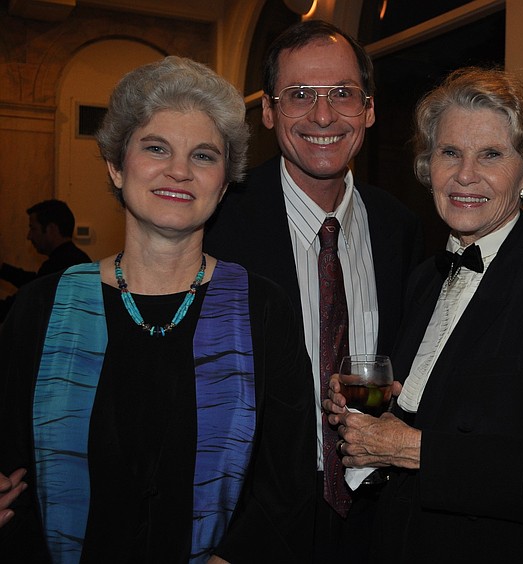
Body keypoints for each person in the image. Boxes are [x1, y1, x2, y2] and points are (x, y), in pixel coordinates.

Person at [0, 56, 315, 562]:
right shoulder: (42, 308)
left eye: (204, 156)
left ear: (225, 181)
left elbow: (287, 485)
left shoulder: (263, 308)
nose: (179, 171)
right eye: (156, 148)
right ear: (115, 166)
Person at [324, 67, 523, 562]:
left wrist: (408, 447)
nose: (464, 175)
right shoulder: (423, 279)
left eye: (491, 155)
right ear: (427, 164)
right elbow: (434, 410)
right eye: (450, 152)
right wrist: (371, 417)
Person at [204, 20, 422, 562]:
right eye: (299, 95)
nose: (323, 116)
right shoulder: (217, 223)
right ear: (270, 112)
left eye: (342, 94)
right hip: (251, 529)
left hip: (381, 523)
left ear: (368, 110)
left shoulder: (403, 228)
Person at [0, 199, 91, 322]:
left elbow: (22, 305)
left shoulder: (57, 266)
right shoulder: (77, 259)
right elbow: (34, 283)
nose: (29, 236)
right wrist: (3, 269)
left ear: (51, 229)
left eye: (33, 228)